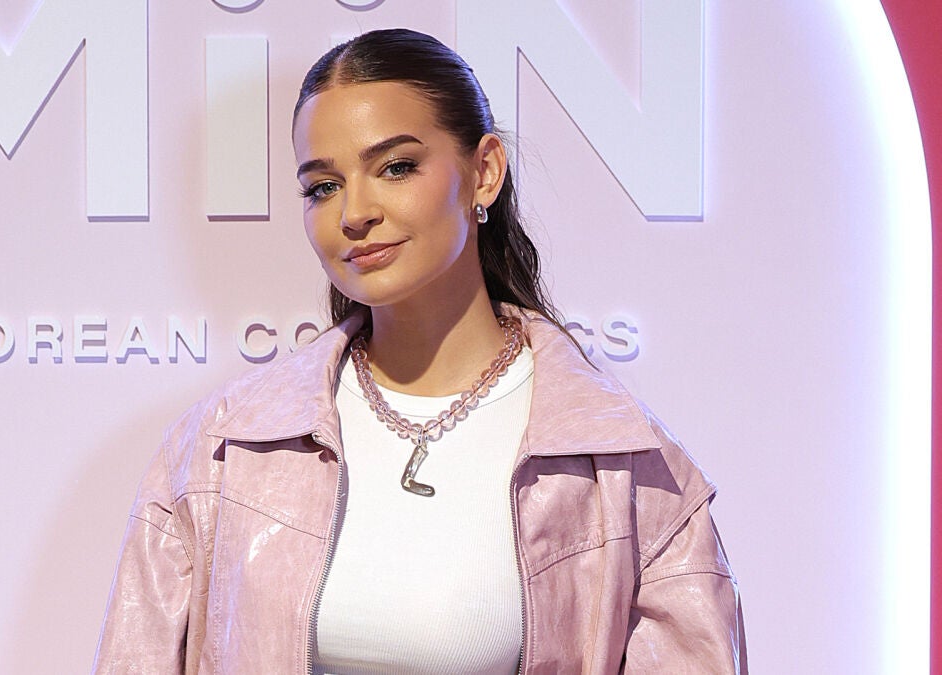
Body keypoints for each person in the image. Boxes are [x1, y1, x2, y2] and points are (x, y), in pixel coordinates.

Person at [94, 28, 746, 674]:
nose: (353, 212)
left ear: (484, 173)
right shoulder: (219, 451)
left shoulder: (630, 468)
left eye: (396, 167)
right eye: (322, 186)